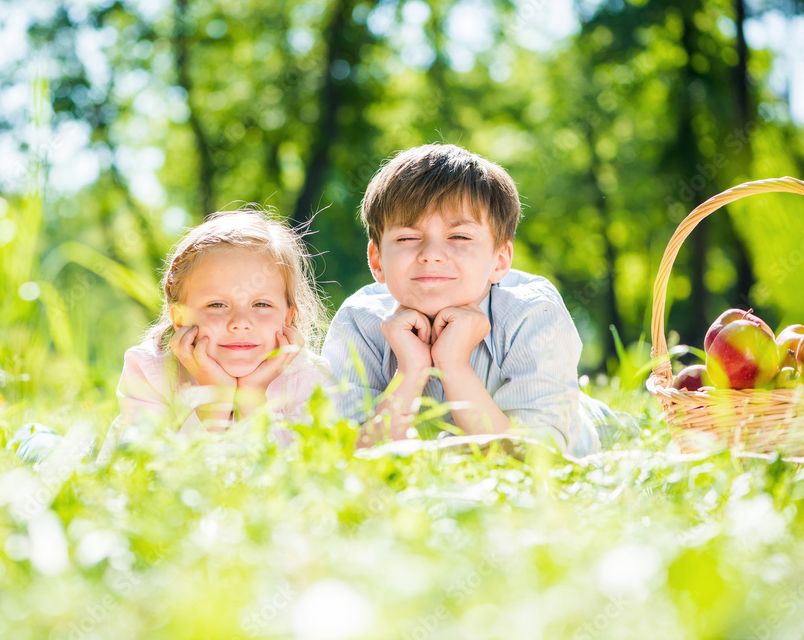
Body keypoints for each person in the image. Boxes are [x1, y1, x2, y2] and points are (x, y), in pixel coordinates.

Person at [322, 144, 620, 457]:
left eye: (460, 237)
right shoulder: (359, 319)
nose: (432, 255)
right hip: (441, 468)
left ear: (500, 261)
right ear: (377, 260)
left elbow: (533, 459)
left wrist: (453, 364)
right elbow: (353, 457)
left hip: (580, 433)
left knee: (607, 428)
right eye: (408, 238)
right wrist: (411, 370)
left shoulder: (534, 311)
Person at [96, 209, 331, 463]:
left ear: (287, 318)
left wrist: (253, 400)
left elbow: (300, 482)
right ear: (180, 319)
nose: (241, 323)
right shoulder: (151, 372)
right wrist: (214, 402)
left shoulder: (308, 378)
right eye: (217, 305)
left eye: (261, 304)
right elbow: (145, 480)